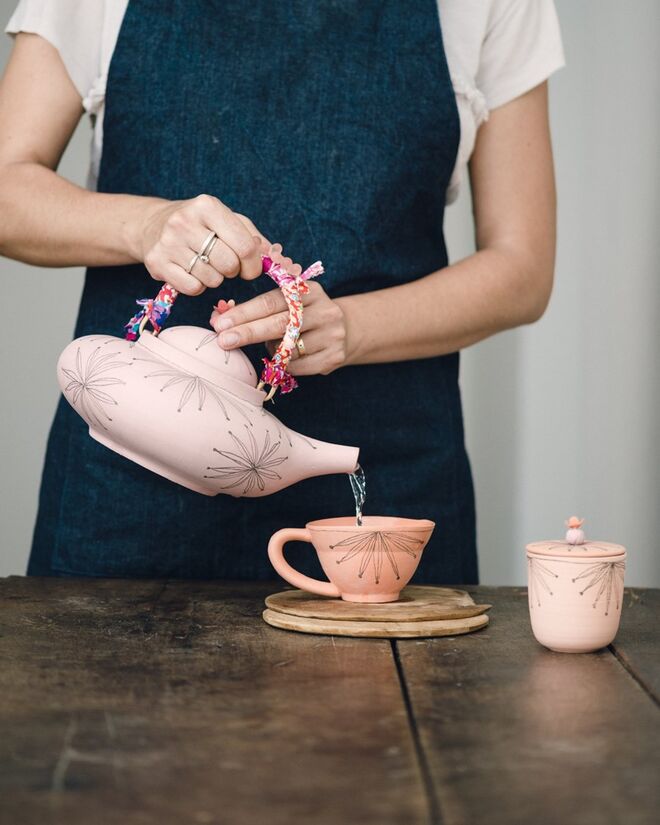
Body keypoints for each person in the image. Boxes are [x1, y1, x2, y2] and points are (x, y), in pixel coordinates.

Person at [0, 0, 564, 582]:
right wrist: (143, 226)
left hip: (379, 471)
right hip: (133, 472)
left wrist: (355, 327)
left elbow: (522, 267)